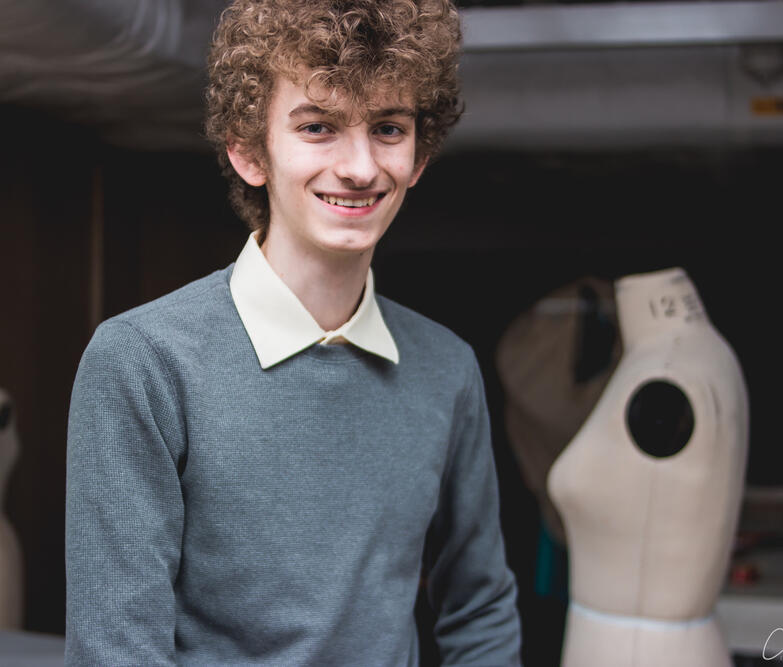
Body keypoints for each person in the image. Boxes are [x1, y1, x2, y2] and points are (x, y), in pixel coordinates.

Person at [65, 0, 522, 664]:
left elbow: (480, 610)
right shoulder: (143, 362)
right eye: (318, 127)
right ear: (249, 151)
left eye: (388, 128)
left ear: (419, 154)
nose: (360, 166)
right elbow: (117, 650)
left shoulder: (447, 369)